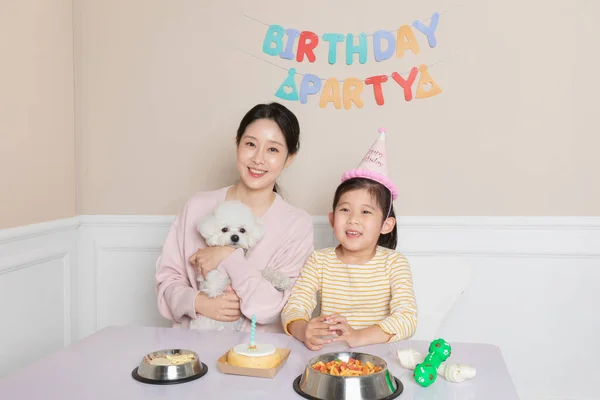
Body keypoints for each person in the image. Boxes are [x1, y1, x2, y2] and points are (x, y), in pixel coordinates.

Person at [156, 102, 314, 333]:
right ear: (237, 144)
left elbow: (271, 308)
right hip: (193, 354)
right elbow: (167, 280)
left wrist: (227, 256)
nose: (258, 159)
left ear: (289, 158)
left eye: (272, 149)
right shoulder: (197, 207)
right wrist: (198, 302)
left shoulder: (297, 225)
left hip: (261, 358)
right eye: (251, 144)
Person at [282, 129, 418, 350]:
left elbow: (407, 319)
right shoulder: (319, 261)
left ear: (386, 225)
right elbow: (295, 306)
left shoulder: (394, 264)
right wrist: (302, 329)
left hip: (378, 357)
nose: (353, 219)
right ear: (332, 218)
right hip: (330, 357)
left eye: (366, 212)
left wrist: (358, 336)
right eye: (345, 210)